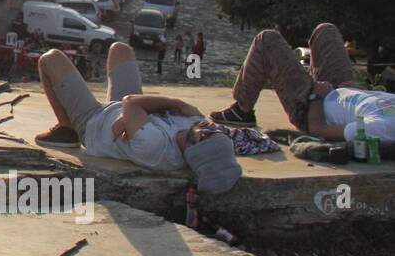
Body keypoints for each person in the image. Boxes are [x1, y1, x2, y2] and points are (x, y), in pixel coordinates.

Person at [33, 42, 241, 193]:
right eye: (214, 130)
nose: (207, 126)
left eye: (207, 133)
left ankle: (68, 129)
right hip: (124, 110)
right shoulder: (195, 128)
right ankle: (128, 116)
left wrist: (177, 104)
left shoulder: (156, 147)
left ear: (194, 146)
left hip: (94, 122)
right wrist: (132, 115)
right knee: (121, 50)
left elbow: (132, 102)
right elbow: (133, 105)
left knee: (51, 59)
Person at [211, 23, 394, 143]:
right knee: (326, 30)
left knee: (267, 39)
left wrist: (316, 97)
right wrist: (361, 92)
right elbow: (377, 107)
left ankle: (242, 111)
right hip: (340, 90)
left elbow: (317, 130)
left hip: (312, 108)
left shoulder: (379, 128)